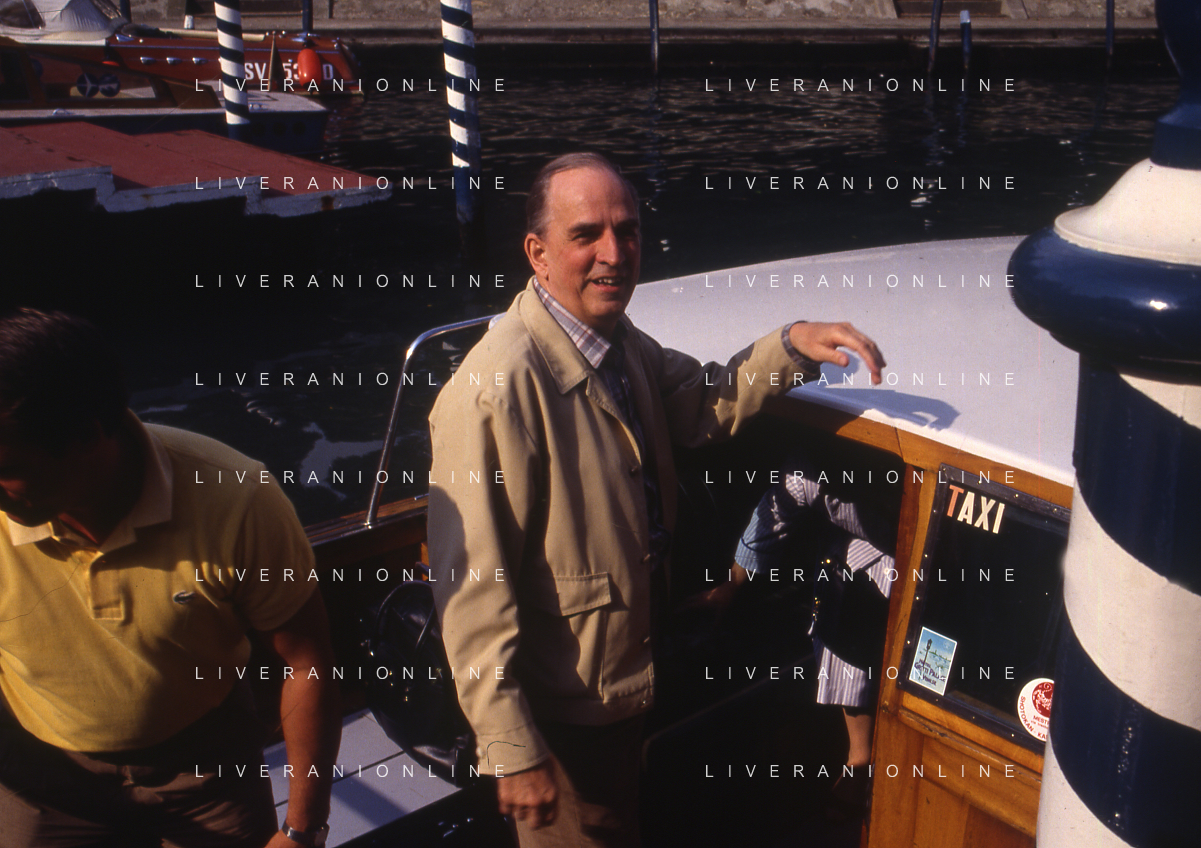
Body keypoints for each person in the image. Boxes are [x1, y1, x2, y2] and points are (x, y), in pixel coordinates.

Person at [426, 152, 886, 847]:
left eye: (628, 230)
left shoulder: (616, 343)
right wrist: (511, 747)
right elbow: (471, 590)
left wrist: (790, 346)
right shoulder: (494, 393)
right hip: (568, 705)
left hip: (626, 668)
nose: (614, 253)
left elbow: (700, 403)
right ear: (537, 253)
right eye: (586, 234)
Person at [0, 309, 341, 848]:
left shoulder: (237, 499)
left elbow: (306, 663)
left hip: (206, 770)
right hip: (42, 772)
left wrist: (303, 829)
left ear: (87, 436)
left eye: (7, 469)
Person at [721, 449, 896, 819]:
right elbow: (775, 511)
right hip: (862, 554)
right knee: (843, 609)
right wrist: (731, 585)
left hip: (928, 544)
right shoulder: (810, 474)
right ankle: (860, 757)